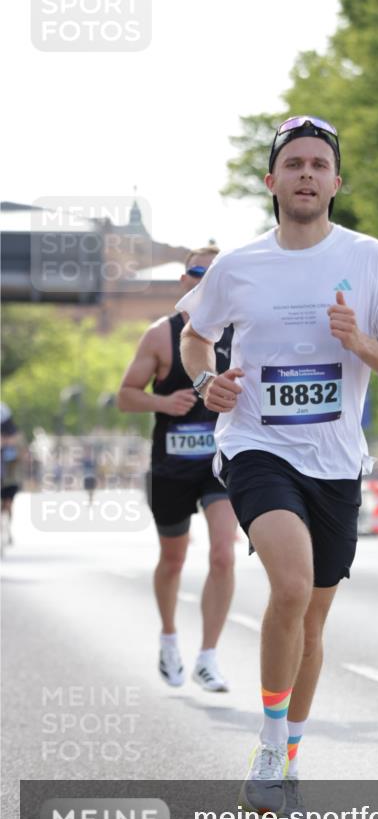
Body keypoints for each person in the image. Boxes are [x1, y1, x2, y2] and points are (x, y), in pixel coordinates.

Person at [177, 116, 378, 819]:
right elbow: (196, 338)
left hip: (336, 462)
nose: (307, 174)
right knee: (287, 585)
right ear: (272, 182)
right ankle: (265, 750)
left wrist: (361, 342)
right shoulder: (238, 265)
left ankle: (285, 767)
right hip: (256, 445)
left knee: (312, 621)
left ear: (336, 183)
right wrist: (207, 384)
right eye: (295, 164)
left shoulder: (373, 259)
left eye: (320, 164)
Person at [118, 247, 237, 692]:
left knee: (224, 553)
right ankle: (169, 638)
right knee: (173, 558)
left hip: (220, 464)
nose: (203, 279)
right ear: (183, 281)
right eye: (195, 272)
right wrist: (162, 402)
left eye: (213, 273)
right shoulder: (159, 335)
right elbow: (125, 395)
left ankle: (208, 656)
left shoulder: (240, 331)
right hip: (170, 464)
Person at [1, 402, 23, 548]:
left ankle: (7, 527)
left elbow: (15, 438)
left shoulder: (3, 412)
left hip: (7, 470)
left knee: (8, 501)